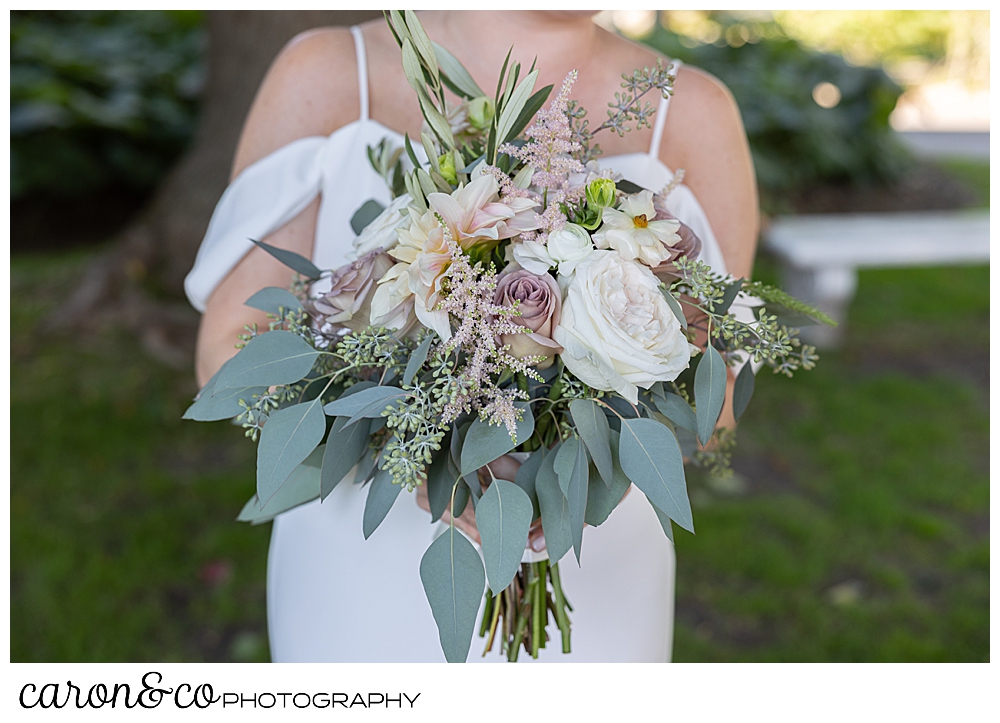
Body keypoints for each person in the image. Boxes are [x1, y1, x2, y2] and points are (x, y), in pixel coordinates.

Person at [186, 11, 758, 662]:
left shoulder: (694, 111)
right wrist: (414, 444)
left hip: (595, 560)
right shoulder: (323, 72)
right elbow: (230, 344)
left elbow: (719, 398)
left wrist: (579, 447)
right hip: (362, 570)